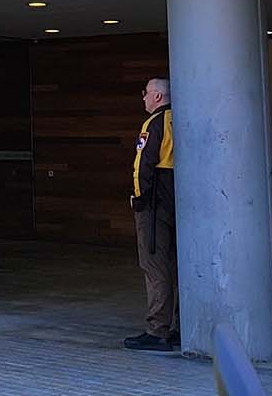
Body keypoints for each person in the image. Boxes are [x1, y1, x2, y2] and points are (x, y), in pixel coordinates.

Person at [125, 77, 179, 352]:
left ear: (157, 96)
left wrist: (138, 200)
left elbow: (142, 166)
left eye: (145, 93)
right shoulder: (181, 118)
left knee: (155, 267)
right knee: (179, 267)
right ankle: (182, 326)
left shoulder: (153, 123)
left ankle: (158, 329)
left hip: (154, 205)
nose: (143, 98)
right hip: (180, 204)